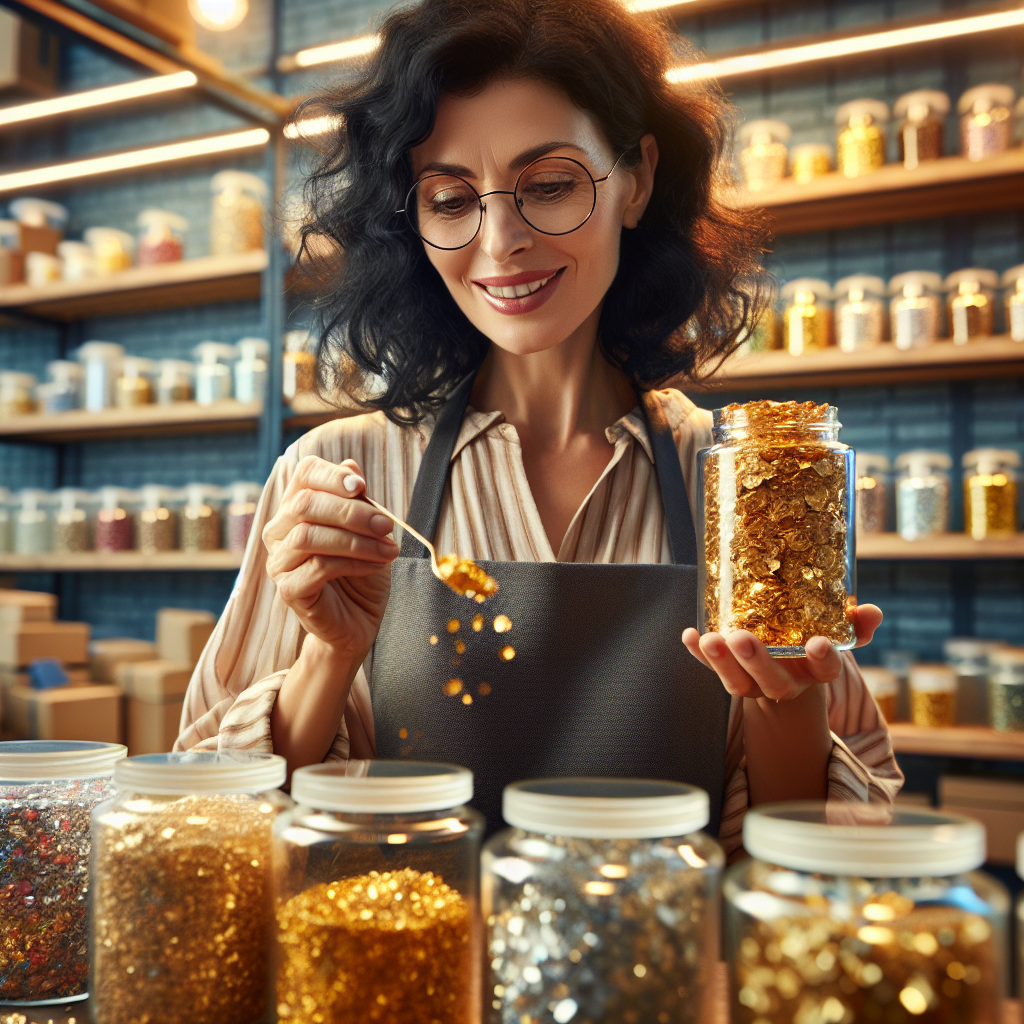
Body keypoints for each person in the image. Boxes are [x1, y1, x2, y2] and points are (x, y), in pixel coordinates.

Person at [176, 0, 902, 854]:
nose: (501, 241)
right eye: (450, 198)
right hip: (399, 979)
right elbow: (209, 826)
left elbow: (819, 856)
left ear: (634, 180)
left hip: (655, 982)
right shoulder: (336, 473)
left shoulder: (738, 480)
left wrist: (789, 698)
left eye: (550, 185)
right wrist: (329, 657)